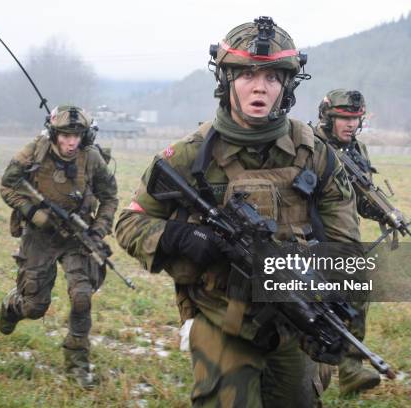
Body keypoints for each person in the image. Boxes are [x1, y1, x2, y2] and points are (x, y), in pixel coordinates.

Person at [115, 17, 363, 406]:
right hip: (221, 318)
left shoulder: (316, 153)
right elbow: (129, 222)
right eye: (247, 74)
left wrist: (329, 296)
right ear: (226, 79)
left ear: (287, 85)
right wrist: (183, 237)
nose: (260, 86)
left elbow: (346, 246)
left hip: (295, 318)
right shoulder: (188, 155)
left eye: (273, 76)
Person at [0, 105, 118, 388]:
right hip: (40, 236)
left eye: (76, 135)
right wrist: (34, 214)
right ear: (54, 133)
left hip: (77, 235)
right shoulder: (33, 152)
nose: (71, 142)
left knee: (82, 296)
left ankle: (77, 363)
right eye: (65, 135)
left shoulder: (92, 158)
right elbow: (7, 186)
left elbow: (110, 197)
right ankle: (13, 305)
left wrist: (98, 230)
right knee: (36, 306)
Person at [312, 89, 382, 395]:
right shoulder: (309, 145)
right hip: (309, 235)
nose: (350, 124)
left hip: (343, 237)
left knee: (354, 293)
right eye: (343, 117)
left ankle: (351, 368)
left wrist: (381, 209)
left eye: (355, 118)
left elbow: (361, 202)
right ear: (328, 118)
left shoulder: (357, 151)